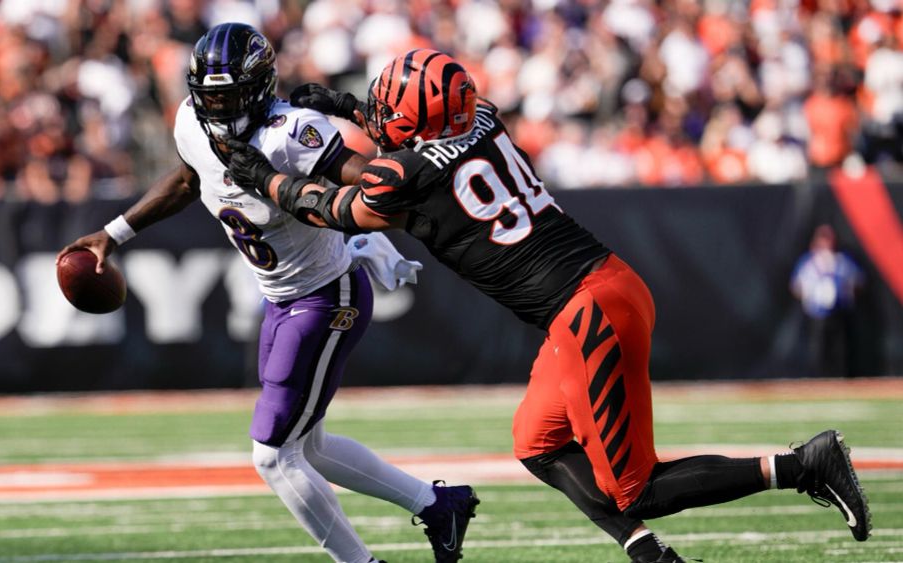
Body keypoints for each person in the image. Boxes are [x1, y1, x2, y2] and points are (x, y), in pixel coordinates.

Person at [224, 48, 873, 562]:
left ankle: (803, 464)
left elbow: (337, 208)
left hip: (588, 309)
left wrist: (258, 175)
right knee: (537, 441)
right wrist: (348, 108)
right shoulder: (481, 118)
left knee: (636, 483)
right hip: (596, 289)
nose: (376, 112)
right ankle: (648, 553)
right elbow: (423, 132)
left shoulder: (405, 175)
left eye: (385, 106)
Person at [57, 26, 478, 563]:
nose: (218, 107)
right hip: (281, 298)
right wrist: (113, 234)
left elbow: (373, 185)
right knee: (312, 449)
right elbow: (190, 181)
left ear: (258, 87)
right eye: (209, 96)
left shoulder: (291, 132)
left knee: (274, 456)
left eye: (229, 96)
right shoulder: (191, 121)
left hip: (328, 297)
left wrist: (345, 215)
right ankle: (439, 505)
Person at [790, 225, 865, 377]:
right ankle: (818, 380)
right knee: (818, 351)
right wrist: (809, 294)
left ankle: (842, 379)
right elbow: (796, 285)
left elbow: (859, 281)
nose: (826, 243)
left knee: (841, 350)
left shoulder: (842, 261)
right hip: (817, 314)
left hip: (839, 312)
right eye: (823, 239)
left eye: (828, 239)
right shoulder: (809, 263)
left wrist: (847, 292)